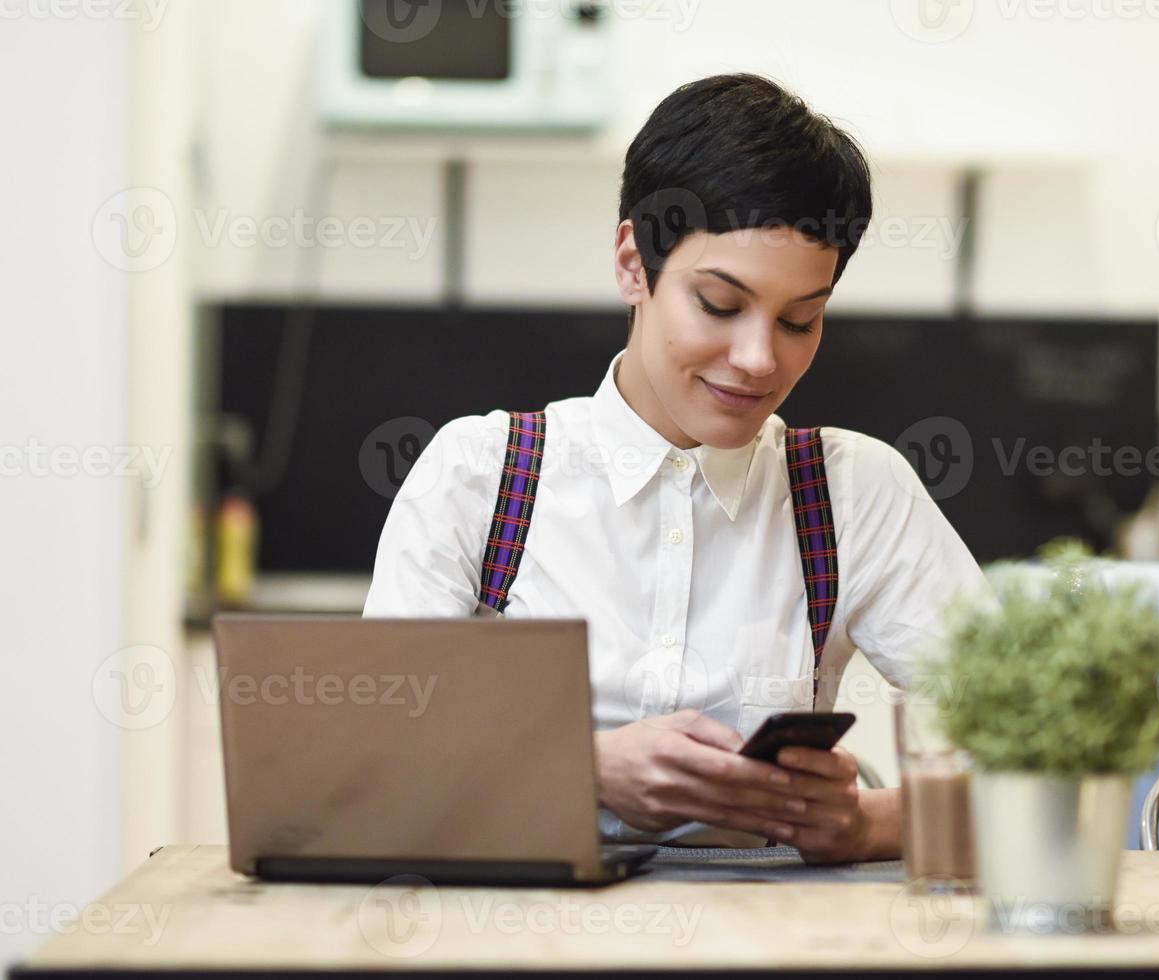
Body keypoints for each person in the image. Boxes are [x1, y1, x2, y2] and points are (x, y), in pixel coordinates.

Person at [364, 73, 986, 864]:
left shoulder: (854, 492)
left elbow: (1046, 759)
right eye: (720, 306)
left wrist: (871, 824)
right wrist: (585, 769)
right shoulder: (480, 477)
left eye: (800, 319)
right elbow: (373, 766)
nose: (759, 360)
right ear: (633, 264)